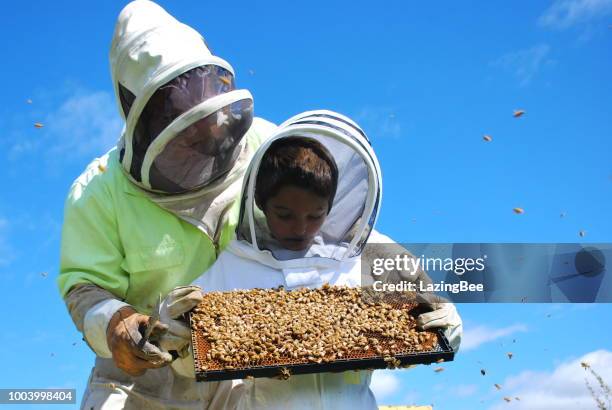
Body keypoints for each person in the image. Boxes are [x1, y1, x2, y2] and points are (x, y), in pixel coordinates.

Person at [163, 111, 463, 409]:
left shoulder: (374, 257)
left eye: (315, 215)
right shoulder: (236, 263)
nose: (300, 227)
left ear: (331, 207)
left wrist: (446, 324)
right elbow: (188, 362)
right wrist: (176, 330)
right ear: (261, 205)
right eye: (284, 215)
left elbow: (430, 329)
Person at [57, 1, 275, 408]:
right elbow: (85, 289)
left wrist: (396, 284)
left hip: (248, 364)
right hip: (143, 382)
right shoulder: (96, 191)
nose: (202, 140)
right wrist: (117, 326)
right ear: (142, 114)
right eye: (183, 127)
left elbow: (334, 229)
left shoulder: (269, 146)